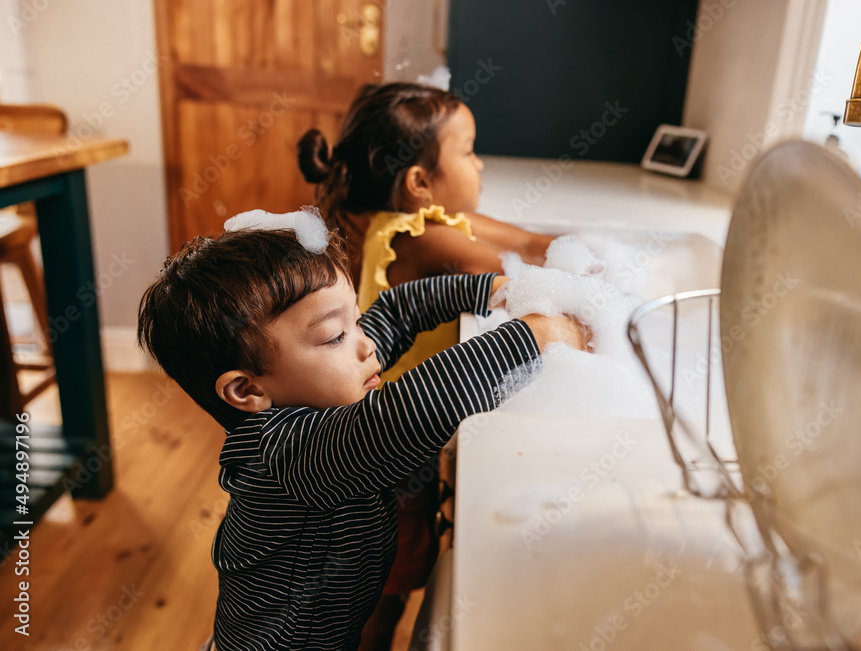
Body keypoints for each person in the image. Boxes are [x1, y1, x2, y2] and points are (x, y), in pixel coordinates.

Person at [137, 219, 587, 651]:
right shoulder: (287, 454)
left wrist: (491, 290)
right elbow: (406, 414)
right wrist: (537, 335)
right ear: (247, 389)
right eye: (334, 335)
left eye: (353, 319)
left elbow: (397, 309)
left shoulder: (331, 379)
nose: (365, 343)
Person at [297, 82, 558, 646]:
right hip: (395, 453)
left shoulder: (399, 219)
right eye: (468, 151)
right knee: (384, 589)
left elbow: (533, 242)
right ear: (419, 182)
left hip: (388, 441)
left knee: (378, 584)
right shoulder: (421, 240)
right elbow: (534, 281)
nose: (480, 162)